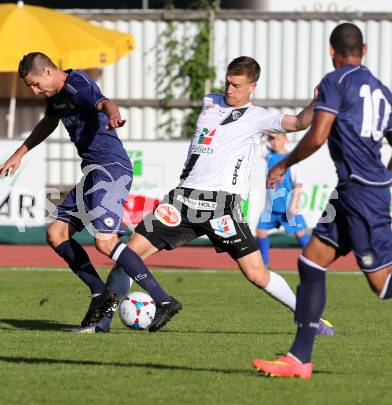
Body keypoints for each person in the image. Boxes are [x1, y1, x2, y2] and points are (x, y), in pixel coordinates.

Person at [81, 56, 335, 335]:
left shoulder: (258, 117)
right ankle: (100, 325)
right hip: (181, 201)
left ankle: (309, 318)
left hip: (221, 207)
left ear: (252, 87)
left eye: (237, 86)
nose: (230, 90)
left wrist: (317, 103)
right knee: (127, 257)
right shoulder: (210, 102)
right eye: (227, 83)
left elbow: (299, 122)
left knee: (256, 274)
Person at [0, 52, 178, 331]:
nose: (33, 90)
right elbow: (48, 122)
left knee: (105, 242)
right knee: (56, 233)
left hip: (110, 169)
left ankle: (163, 300)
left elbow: (104, 102)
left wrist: (113, 115)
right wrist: (18, 154)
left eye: (33, 83)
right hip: (92, 172)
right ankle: (99, 293)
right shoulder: (53, 96)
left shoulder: (76, 83)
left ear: (47, 72)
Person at [252, 22, 392, 379]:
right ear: (365, 49)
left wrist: (284, 163)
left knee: (381, 284)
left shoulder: (336, 81)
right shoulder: (382, 90)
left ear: (332, 51)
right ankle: (299, 359)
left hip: (362, 193)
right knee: (311, 262)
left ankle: (300, 358)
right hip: (352, 191)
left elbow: (317, 135)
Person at [256, 132, 310, 269]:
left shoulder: (292, 159)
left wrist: (294, 204)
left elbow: (298, 184)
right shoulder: (269, 155)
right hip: (271, 207)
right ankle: (265, 263)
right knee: (260, 231)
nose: (274, 142)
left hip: (288, 207)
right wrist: (266, 131)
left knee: (300, 233)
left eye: (277, 138)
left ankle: (314, 260)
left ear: (285, 139)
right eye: (271, 139)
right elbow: (257, 142)